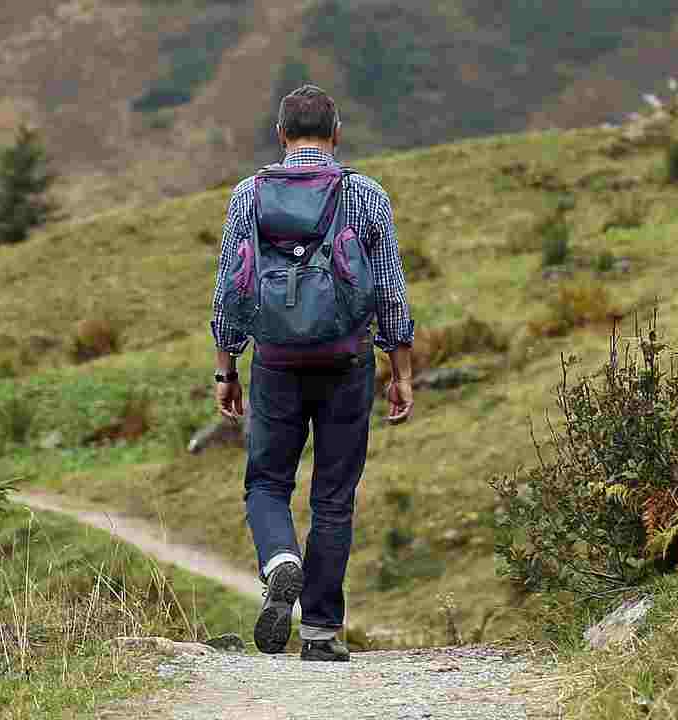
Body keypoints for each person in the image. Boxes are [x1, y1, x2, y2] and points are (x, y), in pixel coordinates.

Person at [209, 85, 416, 662]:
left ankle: (280, 560)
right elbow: (391, 293)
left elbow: (231, 286)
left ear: (280, 134)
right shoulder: (366, 195)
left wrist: (226, 366)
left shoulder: (248, 196)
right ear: (337, 133)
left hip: (274, 361)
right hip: (347, 362)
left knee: (267, 482)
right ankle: (321, 632)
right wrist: (400, 370)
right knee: (333, 496)